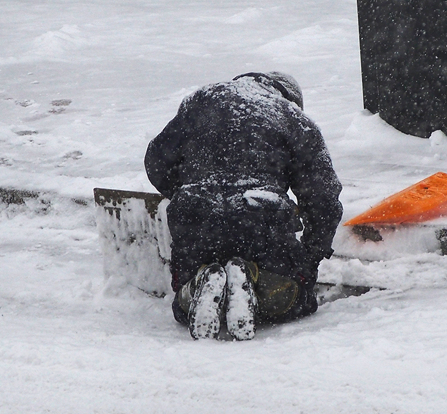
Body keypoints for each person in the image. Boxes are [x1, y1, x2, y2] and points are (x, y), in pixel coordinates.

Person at [145, 72, 343, 341]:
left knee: (183, 304)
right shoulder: (292, 117)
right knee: (299, 298)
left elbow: (156, 162)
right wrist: (310, 259)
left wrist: (187, 195)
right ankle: (253, 280)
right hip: (261, 219)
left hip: (197, 219)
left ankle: (202, 280)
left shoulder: (200, 101)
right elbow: (324, 199)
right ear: (290, 97)